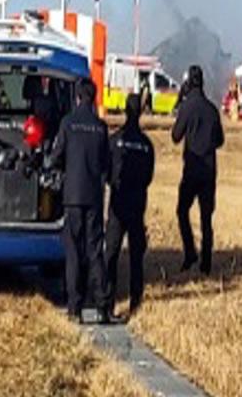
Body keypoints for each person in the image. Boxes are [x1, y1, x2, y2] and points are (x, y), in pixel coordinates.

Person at [51, 78, 112, 323]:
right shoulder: (100, 127)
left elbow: (56, 156)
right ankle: (103, 305)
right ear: (94, 98)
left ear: (77, 97)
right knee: (95, 249)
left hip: (72, 196)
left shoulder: (68, 123)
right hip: (94, 196)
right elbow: (106, 163)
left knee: (74, 250)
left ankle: (75, 307)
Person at [171, 64, 224, 274]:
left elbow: (175, 136)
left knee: (182, 210)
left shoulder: (187, 107)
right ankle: (206, 262)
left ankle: (190, 251)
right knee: (206, 217)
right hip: (210, 169)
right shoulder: (211, 109)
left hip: (192, 168)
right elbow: (220, 140)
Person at [105, 93, 155, 316]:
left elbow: (105, 171)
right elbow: (148, 177)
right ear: (141, 112)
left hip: (118, 203)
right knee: (136, 255)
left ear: (125, 110)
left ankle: (108, 302)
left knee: (112, 254)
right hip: (137, 204)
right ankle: (135, 301)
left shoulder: (114, 140)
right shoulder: (146, 145)